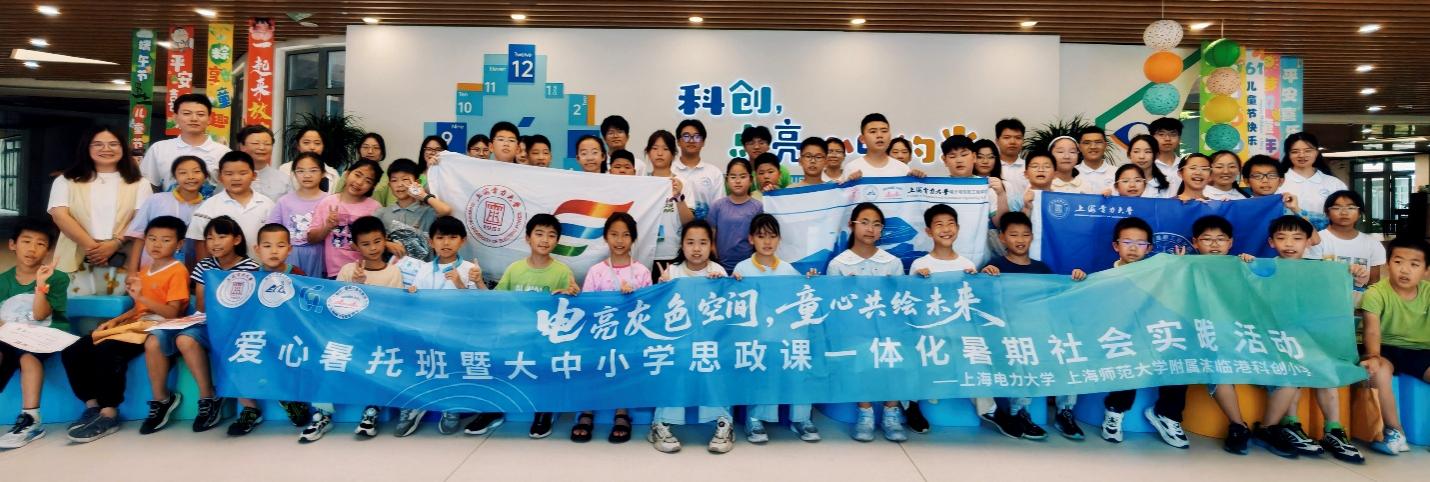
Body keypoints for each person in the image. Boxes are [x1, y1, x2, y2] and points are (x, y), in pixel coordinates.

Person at [1243, 215, 1362, 461]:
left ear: (1309, 241)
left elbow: (1340, 296)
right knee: (1293, 369)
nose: (1289, 244)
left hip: (1309, 339)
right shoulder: (1263, 268)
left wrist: (1351, 274)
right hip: (1275, 341)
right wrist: (1244, 264)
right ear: (1271, 242)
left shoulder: (1320, 270)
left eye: (1297, 238)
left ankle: (1333, 430)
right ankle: (1290, 424)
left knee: (1327, 368)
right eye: (1282, 238)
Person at [62, 215, 188, 443]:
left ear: (179, 244)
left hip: (157, 327)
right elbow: (138, 308)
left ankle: (109, 413)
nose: (157, 244)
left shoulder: (177, 270)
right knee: (74, 349)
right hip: (135, 325)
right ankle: (92, 406)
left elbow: (172, 313)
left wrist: (141, 298)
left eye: (166, 240)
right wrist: (116, 320)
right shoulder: (145, 270)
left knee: (108, 350)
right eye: (152, 238)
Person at [140, 216, 255, 436]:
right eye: (209, 238)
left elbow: (244, 306)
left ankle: (221, 400)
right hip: (205, 321)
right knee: (162, 339)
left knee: (188, 339)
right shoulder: (204, 265)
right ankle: (181, 399)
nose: (215, 243)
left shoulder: (249, 267)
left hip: (233, 326)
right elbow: (202, 305)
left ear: (237, 239)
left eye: (221, 237)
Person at [979, 211, 1083, 439]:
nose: (1020, 240)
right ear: (1002, 238)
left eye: (1025, 234)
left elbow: (1058, 298)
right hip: (1010, 336)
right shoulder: (995, 267)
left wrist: (1076, 279)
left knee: (1070, 355)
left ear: (1032, 237)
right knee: (1022, 354)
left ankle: (1064, 412)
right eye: (1013, 234)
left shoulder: (1042, 269)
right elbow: (981, 301)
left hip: (1040, 332)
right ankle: (1019, 413)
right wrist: (984, 278)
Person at [305, 216, 403, 443]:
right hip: (348, 335)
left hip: (377, 335)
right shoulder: (348, 270)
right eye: (366, 244)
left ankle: (371, 411)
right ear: (356, 246)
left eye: (377, 241)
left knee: (379, 361)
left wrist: (367, 289)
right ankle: (322, 414)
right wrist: (356, 286)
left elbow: (394, 309)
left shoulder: (393, 272)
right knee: (328, 359)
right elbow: (338, 306)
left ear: (385, 240)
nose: (373, 248)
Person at [483, 214, 580, 439]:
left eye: (551, 235)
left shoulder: (562, 271)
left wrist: (573, 294)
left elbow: (570, 308)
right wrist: (478, 281)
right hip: (515, 335)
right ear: (528, 238)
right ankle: (493, 410)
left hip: (544, 340)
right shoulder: (514, 269)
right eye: (539, 234)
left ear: (557, 241)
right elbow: (497, 300)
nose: (544, 240)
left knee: (548, 363)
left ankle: (544, 411)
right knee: (492, 358)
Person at [386, 215, 481, 440]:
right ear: (431, 242)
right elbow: (416, 305)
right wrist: (411, 295)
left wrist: (462, 283)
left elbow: (480, 306)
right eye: (440, 238)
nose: (446, 242)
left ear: (463, 241)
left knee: (453, 368)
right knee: (417, 365)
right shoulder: (424, 269)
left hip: (457, 335)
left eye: (452, 237)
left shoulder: (470, 269)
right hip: (426, 333)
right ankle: (414, 406)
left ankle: (450, 406)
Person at [1098, 217, 1190, 449]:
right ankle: (1115, 411)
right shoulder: (1102, 278)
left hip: (1154, 336)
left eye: (1140, 243)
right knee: (1128, 353)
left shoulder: (1158, 274)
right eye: (1127, 241)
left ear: (1149, 248)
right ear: (1116, 245)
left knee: (1179, 354)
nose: (1133, 247)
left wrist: (1178, 269)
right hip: (1122, 339)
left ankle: (1167, 414)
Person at [731, 214, 821, 444]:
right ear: (751, 239)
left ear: (779, 239)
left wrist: (810, 281)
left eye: (772, 236)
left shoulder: (788, 270)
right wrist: (734, 283)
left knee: (800, 359)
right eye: (761, 236)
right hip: (756, 336)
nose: (767, 241)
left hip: (785, 335)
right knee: (762, 361)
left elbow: (800, 301)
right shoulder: (742, 269)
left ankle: (801, 418)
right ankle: (756, 418)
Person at [1174, 216, 1258, 455]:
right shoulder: (1186, 266)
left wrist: (1251, 267)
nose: (1214, 244)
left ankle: (1271, 427)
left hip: (1239, 333)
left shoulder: (1240, 265)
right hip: (1204, 335)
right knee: (1217, 365)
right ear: (1195, 242)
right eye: (1207, 239)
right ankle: (1238, 425)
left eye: (1220, 239)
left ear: (1230, 243)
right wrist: (1177, 268)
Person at [650, 219, 734, 454]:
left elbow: (727, 316)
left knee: (712, 362)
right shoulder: (672, 271)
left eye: (703, 243)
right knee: (671, 362)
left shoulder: (718, 272)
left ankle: (723, 423)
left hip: (710, 341)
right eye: (690, 242)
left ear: (711, 245)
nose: (696, 248)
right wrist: (661, 288)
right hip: (678, 342)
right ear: (682, 245)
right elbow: (659, 316)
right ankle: (661, 423)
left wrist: (723, 287)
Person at [827, 203, 909, 442]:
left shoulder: (892, 262)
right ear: (851, 225)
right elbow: (834, 307)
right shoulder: (839, 264)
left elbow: (900, 303)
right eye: (864, 222)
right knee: (859, 353)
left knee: (896, 353)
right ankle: (865, 412)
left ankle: (891, 412)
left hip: (888, 329)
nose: (870, 229)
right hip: (854, 331)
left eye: (876, 224)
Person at [573, 212, 649, 443]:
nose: (619, 240)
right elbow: (587, 307)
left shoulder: (642, 272)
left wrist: (632, 298)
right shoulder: (596, 271)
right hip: (600, 334)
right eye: (614, 234)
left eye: (625, 235)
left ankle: (622, 412)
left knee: (624, 361)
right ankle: (587, 410)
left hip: (629, 336)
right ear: (606, 237)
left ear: (633, 239)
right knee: (591, 361)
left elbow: (648, 310)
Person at [226, 223, 305, 436]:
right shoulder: (248, 277)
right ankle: (250, 408)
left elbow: (303, 312)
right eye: (267, 246)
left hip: (287, 335)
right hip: (256, 334)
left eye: (280, 245)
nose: (274, 251)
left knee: (286, 351)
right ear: (257, 249)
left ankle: (288, 398)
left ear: (289, 249)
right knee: (232, 352)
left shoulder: (298, 275)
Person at [0, 218, 69, 449]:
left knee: (27, 356)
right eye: (26, 241)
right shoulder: (3, 281)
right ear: (13, 244)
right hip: (11, 336)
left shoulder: (57, 278)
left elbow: (40, 315)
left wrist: (40, 285)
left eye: (41, 244)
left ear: (48, 250)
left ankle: (31, 420)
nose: (32, 248)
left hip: (47, 335)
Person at [1359, 236, 1430, 456]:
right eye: (1398, 262)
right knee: (1378, 372)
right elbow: (1372, 330)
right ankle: (1395, 432)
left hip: (1421, 351)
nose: (1404, 270)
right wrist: (1373, 356)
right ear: (1388, 264)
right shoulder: (1375, 292)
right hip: (1384, 348)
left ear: (1426, 270)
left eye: (1414, 264)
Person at [49, 126, 154, 273]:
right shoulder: (66, 180)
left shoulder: (140, 183)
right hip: (75, 256)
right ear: (86, 148)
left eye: (113, 144)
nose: (106, 149)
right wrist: (93, 249)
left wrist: (116, 244)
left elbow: (140, 219)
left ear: (123, 148)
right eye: (98, 144)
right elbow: (59, 216)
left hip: (123, 257)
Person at [124, 155, 206, 273]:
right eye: (183, 172)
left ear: (205, 175)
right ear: (174, 177)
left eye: (196, 171)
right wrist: (132, 271)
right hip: (151, 269)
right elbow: (139, 237)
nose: (190, 177)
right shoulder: (156, 200)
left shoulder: (208, 207)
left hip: (190, 272)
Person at [186, 151, 274, 259]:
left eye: (243, 173)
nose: (236, 178)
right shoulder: (207, 208)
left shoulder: (267, 205)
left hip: (260, 268)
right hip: (220, 269)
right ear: (220, 177)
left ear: (254, 175)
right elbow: (201, 246)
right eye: (229, 174)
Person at [307, 160, 384, 278]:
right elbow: (311, 239)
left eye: (368, 181)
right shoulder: (328, 202)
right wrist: (327, 227)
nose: (359, 182)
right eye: (357, 175)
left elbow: (381, 241)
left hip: (365, 272)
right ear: (347, 174)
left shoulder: (375, 208)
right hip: (335, 273)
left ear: (372, 186)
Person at [139, 93, 230, 189]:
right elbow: (148, 185)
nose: (194, 119)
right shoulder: (159, 149)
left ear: (209, 119)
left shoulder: (223, 152)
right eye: (187, 113)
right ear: (175, 118)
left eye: (200, 114)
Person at [265, 152, 328, 278]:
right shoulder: (284, 201)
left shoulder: (330, 200)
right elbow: (271, 230)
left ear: (323, 173)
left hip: (319, 254)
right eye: (300, 171)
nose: (307, 175)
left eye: (313, 170)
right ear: (294, 174)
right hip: (290, 254)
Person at [375, 158, 452, 261]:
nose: (399, 184)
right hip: (392, 269)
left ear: (417, 182)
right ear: (389, 185)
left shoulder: (427, 212)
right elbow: (363, 238)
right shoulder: (382, 213)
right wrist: (386, 244)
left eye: (405, 179)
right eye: (394, 180)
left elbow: (446, 210)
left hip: (423, 269)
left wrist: (423, 195)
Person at [1307, 190, 1383, 291]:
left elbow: (1374, 283)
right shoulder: (1317, 240)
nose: (1344, 212)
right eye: (1336, 208)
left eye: (1351, 208)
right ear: (1327, 213)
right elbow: (1312, 278)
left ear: (1360, 213)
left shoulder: (1373, 244)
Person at [644, 130, 693, 280]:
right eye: (655, 148)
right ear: (648, 152)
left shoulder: (683, 183)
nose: (659, 153)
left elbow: (689, 222)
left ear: (673, 154)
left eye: (665, 149)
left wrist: (679, 197)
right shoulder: (641, 183)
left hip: (674, 252)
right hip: (645, 253)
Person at [1277, 132, 1346, 228]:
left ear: (1316, 152)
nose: (1301, 155)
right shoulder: (1277, 183)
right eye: (1295, 151)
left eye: (1308, 150)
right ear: (1288, 154)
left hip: (1326, 236)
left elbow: (1344, 215)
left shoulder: (1335, 184)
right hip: (1287, 235)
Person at [708, 158, 762, 273]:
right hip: (720, 267)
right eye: (733, 177)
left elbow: (759, 239)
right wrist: (716, 262)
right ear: (727, 180)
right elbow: (711, 239)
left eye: (742, 177)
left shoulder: (758, 207)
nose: (738, 181)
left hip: (749, 267)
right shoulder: (717, 206)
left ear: (751, 180)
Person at [842, 114, 924, 181]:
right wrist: (849, 184)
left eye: (884, 131)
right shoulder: (852, 168)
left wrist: (918, 180)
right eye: (873, 131)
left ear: (890, 136)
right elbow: (842, 195)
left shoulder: (903, 168)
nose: (879, 135)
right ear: (862, 139)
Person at [278, 127, 339, 193]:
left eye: (317, 143)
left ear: (323, 146)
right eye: (306, 142)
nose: (312, 147)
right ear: (298, 146)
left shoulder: (333, 174)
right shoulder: (285, 169)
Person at [237, 125, 290, 201]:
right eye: (255, 143)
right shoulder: (231, 177)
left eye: (267, 144)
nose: (262, 148)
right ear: (242, 146)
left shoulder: (284, 180)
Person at [1075, 126, 1115, 194]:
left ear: (1105, 146)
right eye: (1087, 143)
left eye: (1098, 142)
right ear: (1079, 147)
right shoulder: (1070, 174)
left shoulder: (1117, 173)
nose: (1093, 147)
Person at [993, 118, 1028, 192]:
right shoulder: (990, 167)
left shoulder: (1029, 168)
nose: (1012, 142)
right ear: (997, 141)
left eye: (1018, 138)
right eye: (1007, 138)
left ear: (1023, 141)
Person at [1149, 117, 1184, 190]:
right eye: (1161, 134)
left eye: (1173, 134)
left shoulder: (1185, 165)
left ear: (1179, 139)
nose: (1167, 139)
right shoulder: (1147, 166)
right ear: (1152, 138)